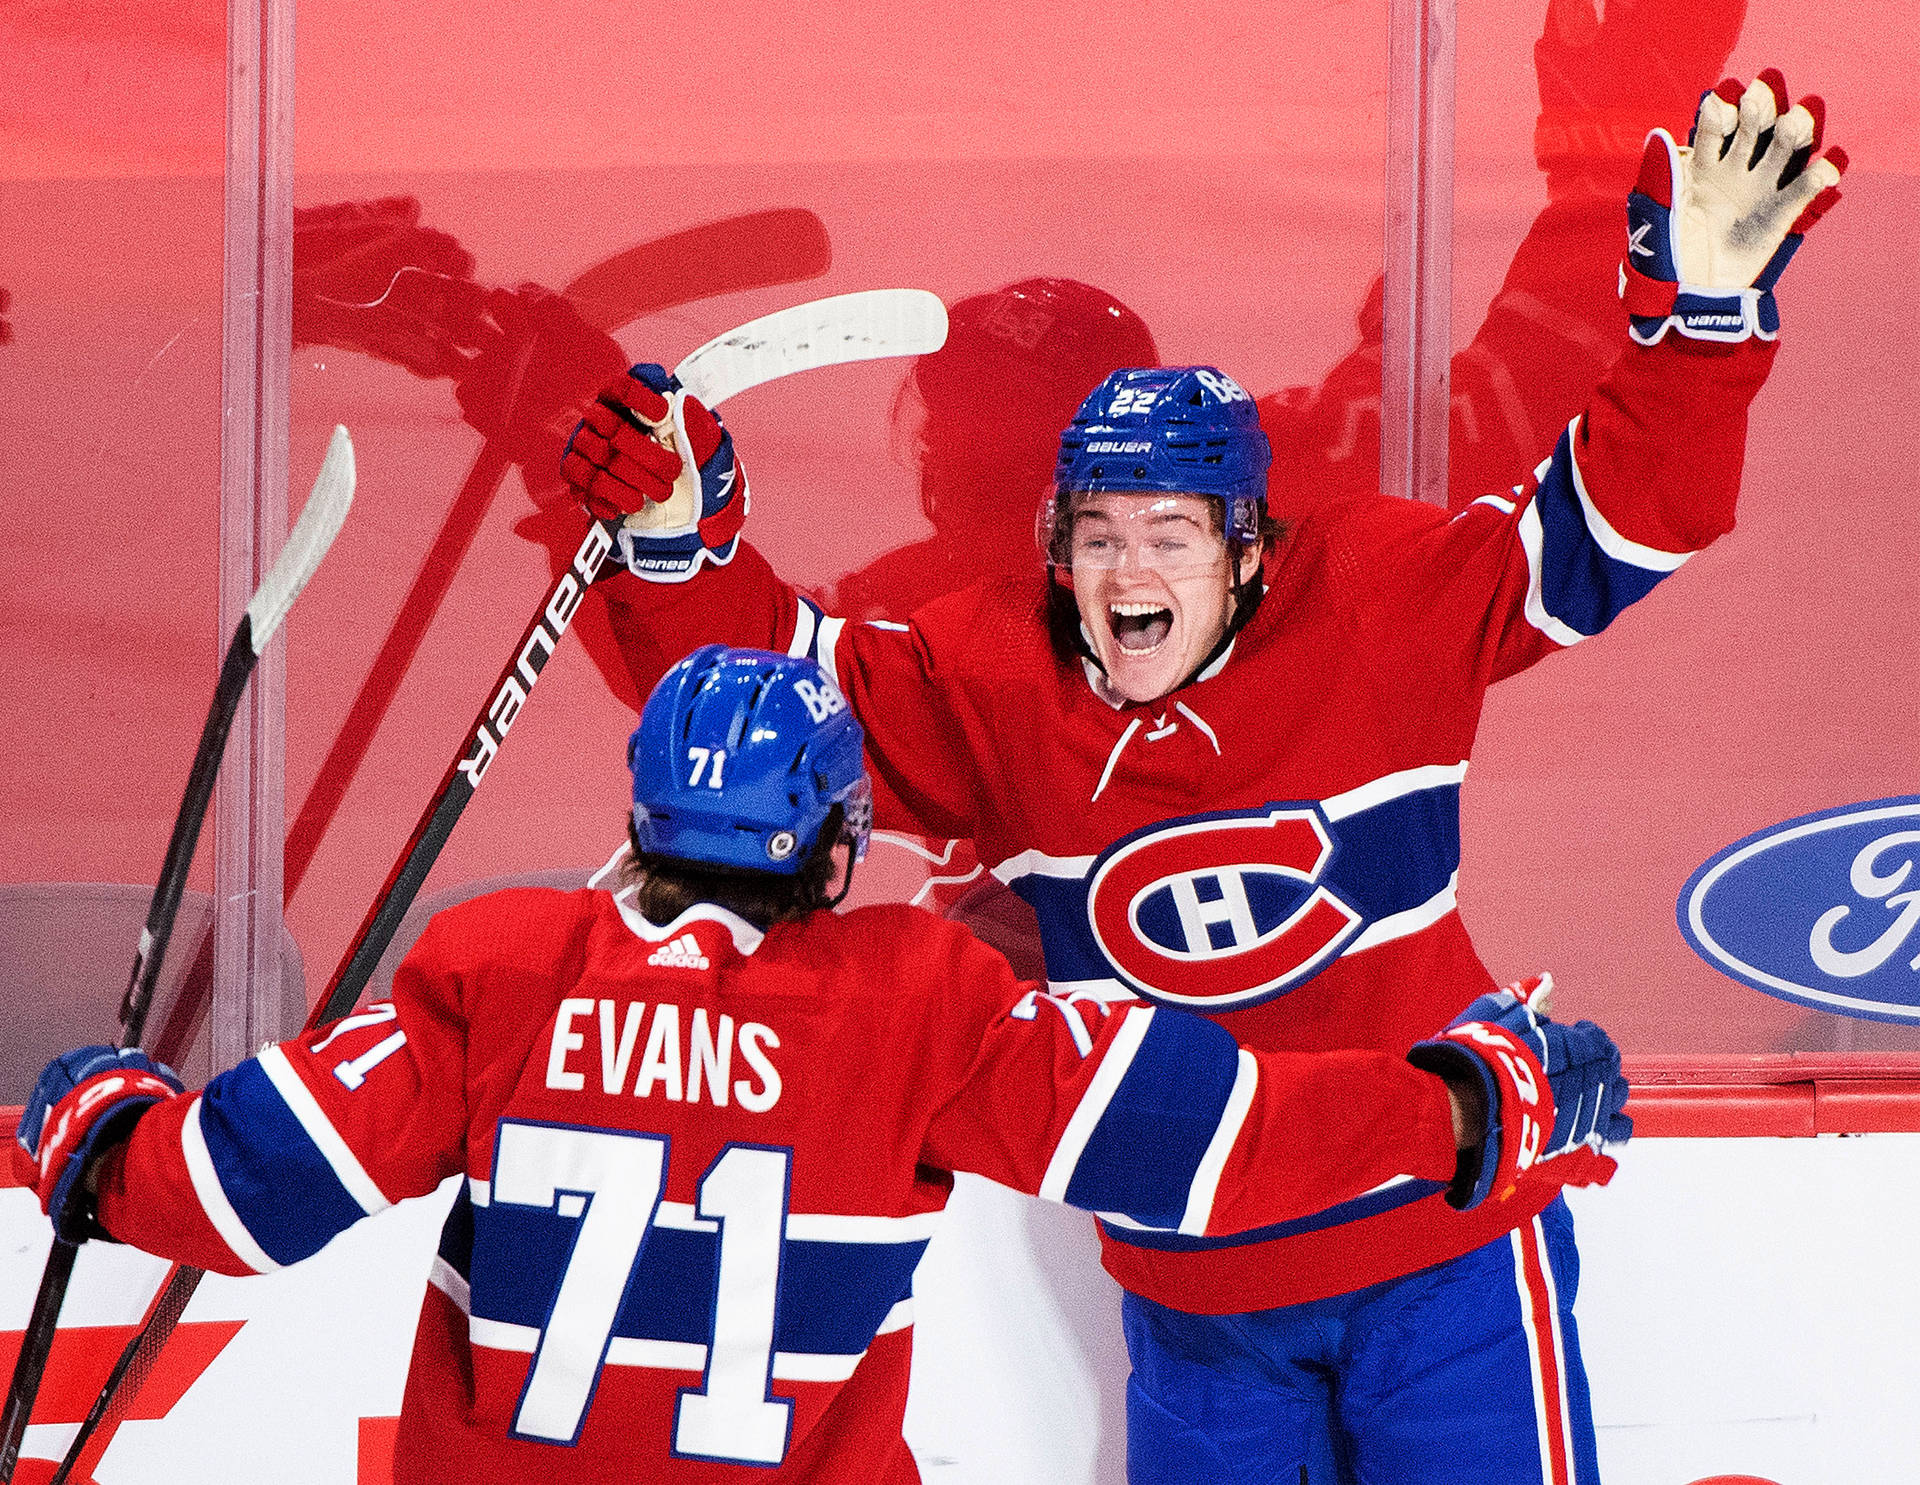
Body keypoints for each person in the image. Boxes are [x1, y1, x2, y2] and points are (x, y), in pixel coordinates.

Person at [556, 75, 1841, 1484]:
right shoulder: (994, 676)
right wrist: (682, 544)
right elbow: (783, 689)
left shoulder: (1377, 601)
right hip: (1200, 1297)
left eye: (1168, 535)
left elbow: (1606, 531)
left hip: (1448, 1252)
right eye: (1096, 537)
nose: (1127, 575)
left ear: (1246, 549)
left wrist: (1702, 334)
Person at [14, 647, 1625, 1483]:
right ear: (835, 840)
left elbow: (236, 1196)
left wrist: (92, 1128)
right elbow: (1205, 1142)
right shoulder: (913, 996)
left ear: (644, 818)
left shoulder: (503, 967)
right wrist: (1467, 1099)